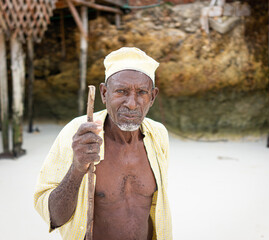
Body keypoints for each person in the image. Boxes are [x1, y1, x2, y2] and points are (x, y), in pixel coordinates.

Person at [34, 47, 172, 240]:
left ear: (153, 96)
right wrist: (77, 167)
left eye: (141, 92)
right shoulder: (78, 132)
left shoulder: (158, 135)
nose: (132, 103)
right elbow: (54, 217)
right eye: (121, 91)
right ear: (104, 93)